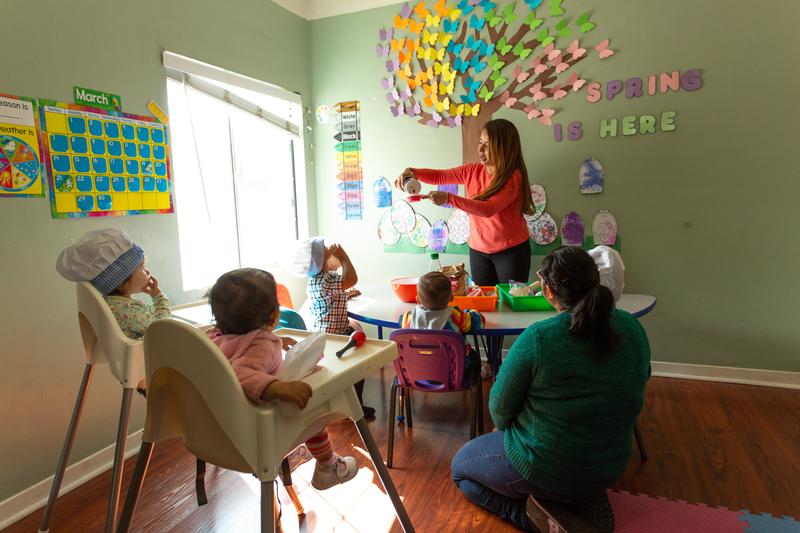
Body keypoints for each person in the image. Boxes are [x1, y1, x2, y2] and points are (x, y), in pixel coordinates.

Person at [450, 246, 651, 531]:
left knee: (461, 469)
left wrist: (507, 427)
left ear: (547, 292)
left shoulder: (540, 337)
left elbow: (499, 407)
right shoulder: (632, 327)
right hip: (610, 464)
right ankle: (577, 502)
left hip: (547, 466)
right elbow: (642, 378)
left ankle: (543, 520)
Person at [206, 268, 358, 490]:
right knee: (314, 418)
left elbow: (241, 347)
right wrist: (277, 387)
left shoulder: (214, 337)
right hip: (261, 430)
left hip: (223, 429)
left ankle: (294, 452)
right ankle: (328, 467)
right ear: (274, 317)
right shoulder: (260, 346)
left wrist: (273, 338)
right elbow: (242, 373)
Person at [397, 118, 535, 286]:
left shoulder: (513, 177)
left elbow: (487, 209)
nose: (481, 149)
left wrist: (448, 198)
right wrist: (412, 172)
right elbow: (440, 176)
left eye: (488, 144)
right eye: (480, 142)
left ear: (504, 148)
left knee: (510, 305)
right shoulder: (472, 171)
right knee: (483, 304)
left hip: (511, 252)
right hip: (478, 251)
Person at [286, 237, 375, 420]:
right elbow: (352, 278)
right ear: (320, 259)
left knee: (342, 369)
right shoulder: (326, 280)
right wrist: (344, 257)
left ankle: (346, 406)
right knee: (358, 367)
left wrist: (345, 295)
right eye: (324, 248)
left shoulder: (315, 280)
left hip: (323, 333)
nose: (328, 248)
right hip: (336, 335)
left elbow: (330, 297)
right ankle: (355, 407)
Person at [56, 228, 170, 340]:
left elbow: (147, 315)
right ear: (121, 281)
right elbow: (161, 329)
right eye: (142, 268)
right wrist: (158, 297)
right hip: (143, 357)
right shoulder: (127, 310)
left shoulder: (113, 304)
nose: (148, 272)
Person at [398, 271, 484, 386]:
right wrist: (471, 311)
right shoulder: (455, 316)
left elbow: (400, 321)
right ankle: (475, 382)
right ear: (452, 297)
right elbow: (478, 322)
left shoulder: (409, 317)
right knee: (473, 355)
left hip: (417, 372)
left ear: (418, 300)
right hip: (454, 375)